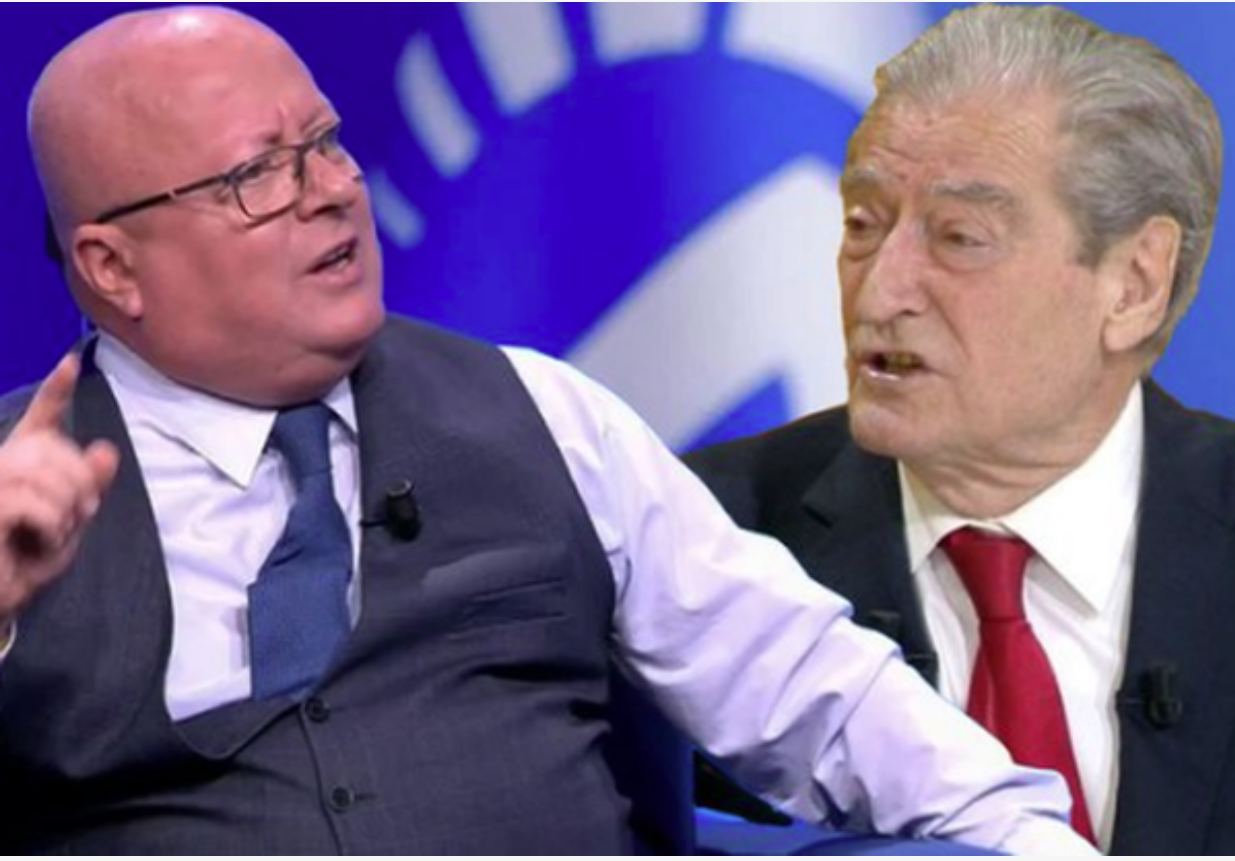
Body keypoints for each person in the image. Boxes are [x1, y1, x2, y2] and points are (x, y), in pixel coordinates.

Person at [0, 5, 1100, 855]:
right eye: (255, 176)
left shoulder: (539, 412)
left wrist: (1024, 838)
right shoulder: (11, 490)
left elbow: (807, 683)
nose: (330, 191)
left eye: (325, 144)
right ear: (111, 267)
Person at [687, 3, 1235, 855]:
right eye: (863, 225)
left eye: (960, 238)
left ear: (1134, 284)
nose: (880, 292)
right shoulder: (702, 548)